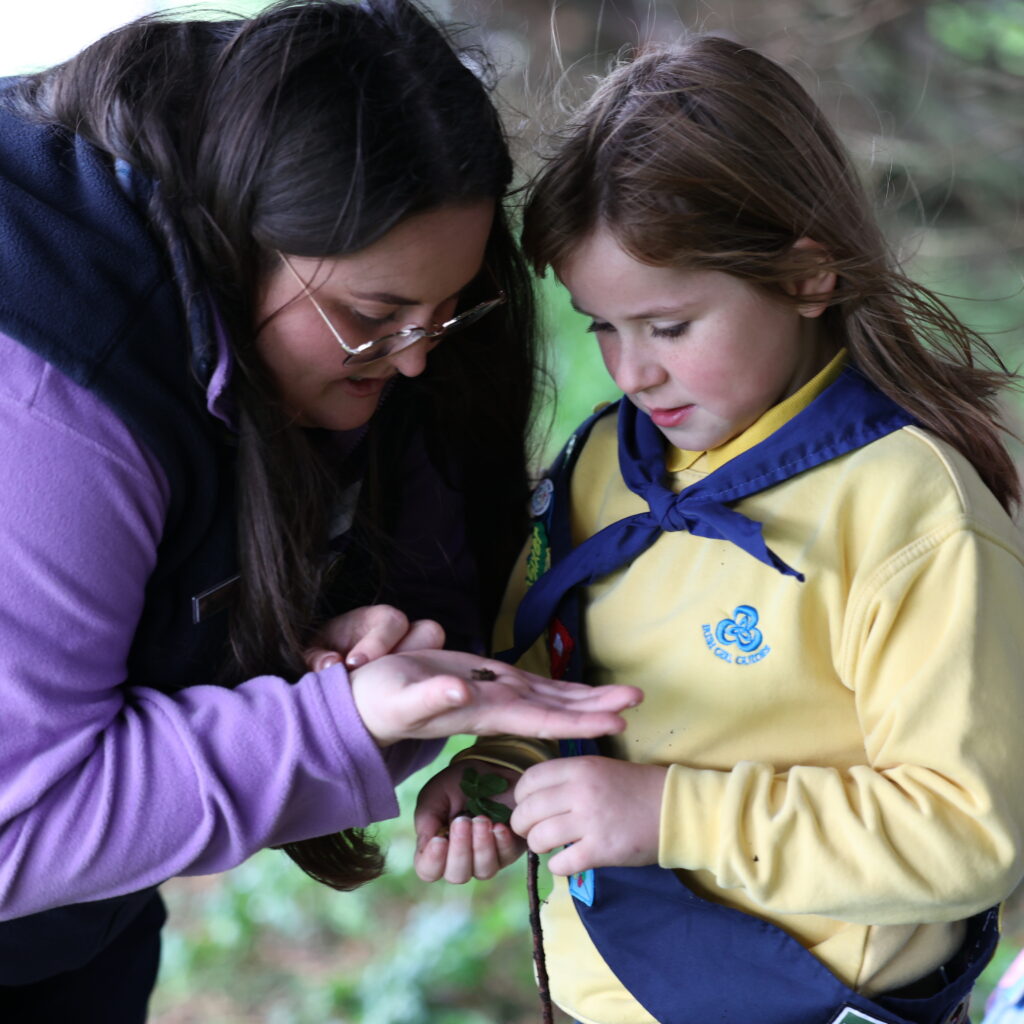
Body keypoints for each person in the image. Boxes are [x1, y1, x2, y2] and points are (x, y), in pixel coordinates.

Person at [0, 0, 643, 1018]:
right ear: (236, 236)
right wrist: (333, 722)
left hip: (81, 929)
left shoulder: (315, 318)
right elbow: (15, 827)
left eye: (447, 313)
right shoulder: (55, 398)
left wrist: (287, 645)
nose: (417, 359)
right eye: (371, 318)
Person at [414, 35, 1024, 1024]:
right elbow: (552, 673)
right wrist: (501, 768)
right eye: (601, 325)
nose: (631, 371)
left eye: (668, 326)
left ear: (807, 276)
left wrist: (670, 813)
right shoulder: (604, 462)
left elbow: (964, 834)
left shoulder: (908, 512)